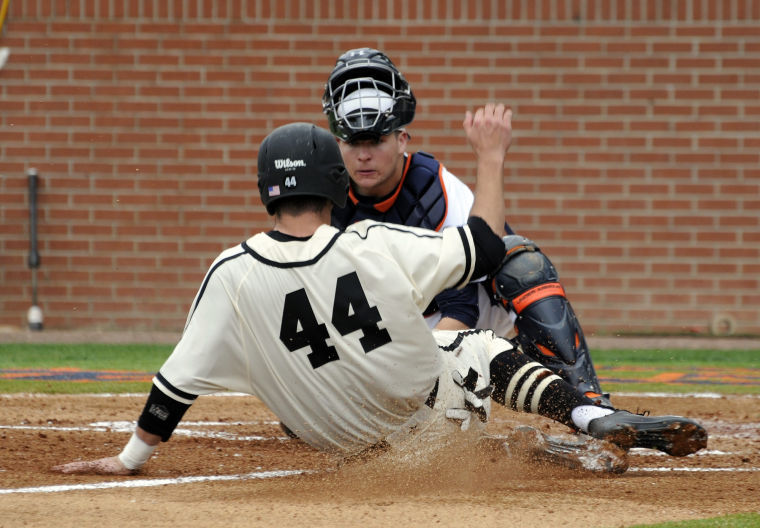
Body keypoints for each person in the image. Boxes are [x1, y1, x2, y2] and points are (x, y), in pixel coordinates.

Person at [52, 114, 706, 477]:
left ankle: (537, 452)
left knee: (296, 389)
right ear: (335, 182)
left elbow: (173, 386)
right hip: (431, 423)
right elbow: (485, 246)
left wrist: (130, 457)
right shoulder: (369, 244)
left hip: (343, 446)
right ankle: (590, 420)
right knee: (463, 342)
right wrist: (492, 155)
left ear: (265, 191)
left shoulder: (229, 271)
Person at [322, 48, 607, 404]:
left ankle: (590, 403)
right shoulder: (324, 200)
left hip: (468, 334)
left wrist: (419, 371)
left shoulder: (434, 191)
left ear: (401, 139)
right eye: (353, 143)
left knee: (521, 262)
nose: (364, 155)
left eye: (377, 140)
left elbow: (462, 309)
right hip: (390, 338)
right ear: (337, 144)